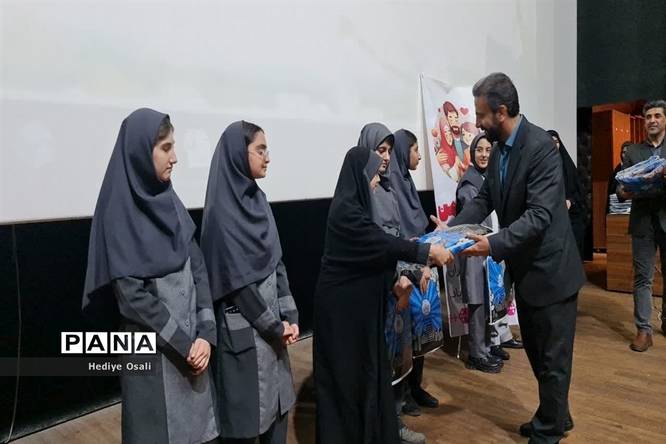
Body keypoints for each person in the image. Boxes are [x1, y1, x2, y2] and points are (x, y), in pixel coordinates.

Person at [436, 73, 586, 443]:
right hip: (527, 272)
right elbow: (484, 200)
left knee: (553, 359)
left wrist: (492, 244)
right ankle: (556, 415)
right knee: (537, 353)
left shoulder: (541, 147)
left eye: (481, 114)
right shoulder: (500, 150)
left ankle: (548, 431)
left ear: (501, 112)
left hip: (552, 274)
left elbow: (540, 216)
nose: (477, 122)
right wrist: (450, 231)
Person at [82, 108, 218, 444]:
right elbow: (132, 297)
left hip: (195, 350)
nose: (176, 157)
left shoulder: (170, 201)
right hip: (153, 357)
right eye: (166, 148)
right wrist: (186, 344)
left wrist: (206, 333)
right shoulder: (118, 212)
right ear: (141, 153)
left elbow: (198, 268)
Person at [314, 146, 453, 444]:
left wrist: (403, 275)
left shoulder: (356, 209)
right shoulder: (347, 212)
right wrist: (428, 252)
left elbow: (380, 250)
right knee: (347, 381)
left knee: (367, 375)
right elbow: (382, 244)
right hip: (342, 316)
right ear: (359, 176)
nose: (377, 181)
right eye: (374, 175)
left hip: (359, 312)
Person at [201, 121, 299, 443]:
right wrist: (274, 326)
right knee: (246, 425)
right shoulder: (221, 213)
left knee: (278, 416)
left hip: (275, 332)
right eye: (260, 150)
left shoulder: (259, 200)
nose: (267, 157)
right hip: (246, 334)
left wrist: (290, 316)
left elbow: (277, 261)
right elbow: (238, 285)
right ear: (237, 155)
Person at [358, 123, 426, 444]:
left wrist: (412, 269)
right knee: (378, 361)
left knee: (398, 355)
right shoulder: (361, 192)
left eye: (388, 151)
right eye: (379, 151)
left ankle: (394, 421)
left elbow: (396, 239)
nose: (385, 157)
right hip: (376, 288)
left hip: (398, 286)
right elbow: (374, 245)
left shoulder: (388, 189)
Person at [388, 129, 440, 416]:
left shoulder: (406, 182)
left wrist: (427, 262)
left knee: (420, 333)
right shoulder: (391, 188)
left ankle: (416, 387)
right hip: (404, 274)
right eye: (416, 149)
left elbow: (419, 229)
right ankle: (405, 393)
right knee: (405, 337)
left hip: (421, 267)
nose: (419, 155)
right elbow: (398, 238)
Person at [616, 99, 666, 351]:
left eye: (657, 115)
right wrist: (625, 190)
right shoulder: (633, 152)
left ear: (665, 119)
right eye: (648, 117)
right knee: (642, 277)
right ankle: (643, 330)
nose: (652, 120)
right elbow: (620, 189)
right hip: (642, 222)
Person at [456, 133, 503, 373]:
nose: (484, 154)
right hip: (474, 249)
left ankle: (487, 346)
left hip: (488, 248)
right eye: (479, 150)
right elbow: (473, 217)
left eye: (488, 150)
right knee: (477, 302)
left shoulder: (487, 178)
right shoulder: (469, 182)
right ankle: (477, 354)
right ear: (472, 153)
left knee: (488, 298)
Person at [547, 130, 586, 259]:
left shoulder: (568, 165)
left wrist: (570, 201)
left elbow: (579, 192)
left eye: (556, 142)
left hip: (571, 216)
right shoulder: (541, 167)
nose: (554, 145)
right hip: (550, 219)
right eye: (550, 142)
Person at [606, 141, 632, 214]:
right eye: (624, 152)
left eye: (629, 152)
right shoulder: (616, 172)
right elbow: (611, 194)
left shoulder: (639, 169)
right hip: (617, 210)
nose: (626, 155)